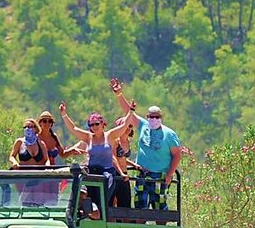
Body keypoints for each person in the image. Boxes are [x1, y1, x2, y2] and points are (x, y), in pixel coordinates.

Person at [111, 78, 182, 211]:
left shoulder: (169, 134)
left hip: (159, 175)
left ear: (161, 118)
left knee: (159, 207)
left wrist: (169, 175)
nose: (154, 120)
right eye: (151, 117)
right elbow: (129, 113)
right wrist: (119, 94)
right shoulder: (143, 126)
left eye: (157, 117)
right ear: (147, 117)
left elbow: (177, 155)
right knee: (140, 206)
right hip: (142, 174)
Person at [59, 101, 134, 208]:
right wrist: (64, 115)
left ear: (103, 124)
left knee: (103, 196)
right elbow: (74, 128)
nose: (94, 127)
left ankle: (101, 211)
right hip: (92, 171)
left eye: (97, 124)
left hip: (106, 172)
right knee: (89, 199)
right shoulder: (88, 137)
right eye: (91, 124)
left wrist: (131, 111)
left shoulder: (110, 135)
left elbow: (125, 124)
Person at [111, 115, 142, 208]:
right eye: (126, 126)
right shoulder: (115, 141)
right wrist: (120, 172)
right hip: (116, 173)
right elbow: (113, 157)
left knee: (125, 201)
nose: (128, 128)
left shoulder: (127, 141)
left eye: (130, 126)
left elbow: (123, 158)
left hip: (125, 174)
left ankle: (123, 221)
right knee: (113, 202)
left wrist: (134, 165)